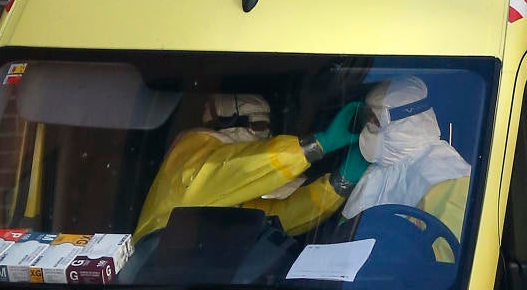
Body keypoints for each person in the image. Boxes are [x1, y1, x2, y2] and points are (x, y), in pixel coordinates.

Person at [133, 93, 369, 242]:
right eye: (258, 124)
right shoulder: (190, 155)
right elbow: (236, 167)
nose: (266, 134)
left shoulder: (234, 189)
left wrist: (341, 182)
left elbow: (281, 217)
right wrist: (317, 145)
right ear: (226, 124)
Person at [342, 76, 471, 261]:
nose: (366, 124)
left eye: (373, 117)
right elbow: (344, 236)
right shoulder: (380, 168)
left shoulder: (450, 176)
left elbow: (444, 262)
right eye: (365, 115)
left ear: (399, 121)